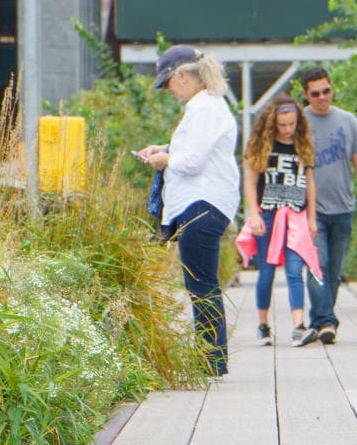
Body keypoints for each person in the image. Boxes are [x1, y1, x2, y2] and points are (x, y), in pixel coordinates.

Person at [138, 46, 239, 377]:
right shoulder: (207, 106)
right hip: (206, 203)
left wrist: (164, 160)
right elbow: (197, 150)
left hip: (201, 203)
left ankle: (211, 359)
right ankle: (211, 357)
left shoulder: (205, 107)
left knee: (201, 283)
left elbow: (192, 162)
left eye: (166, 83)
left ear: (181, 76)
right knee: (202, 282)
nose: (167, 91)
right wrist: (165, 149)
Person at [299, 66, 357, 344]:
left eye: (326, 91)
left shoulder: (348, 121)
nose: (322, 97)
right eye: (315, 93)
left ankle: (322, 319)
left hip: (343, 206)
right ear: (306, 95)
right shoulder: (299, 121)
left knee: (334, 270)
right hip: (311, 209)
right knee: (317, 264)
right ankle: (325, 321)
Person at [241, 95, 322, 348]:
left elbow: (309, 184)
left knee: (295, 270)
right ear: (272, 124)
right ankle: (263, 324)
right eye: (283, 125)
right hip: (268, 215)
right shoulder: (261, 147)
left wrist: (312, 217)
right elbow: (251, 184)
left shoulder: (303, 146)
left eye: (292, 124)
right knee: (266, 271)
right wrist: (253, 214)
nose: (287, 129)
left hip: (295, 216)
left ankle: (298, 326)